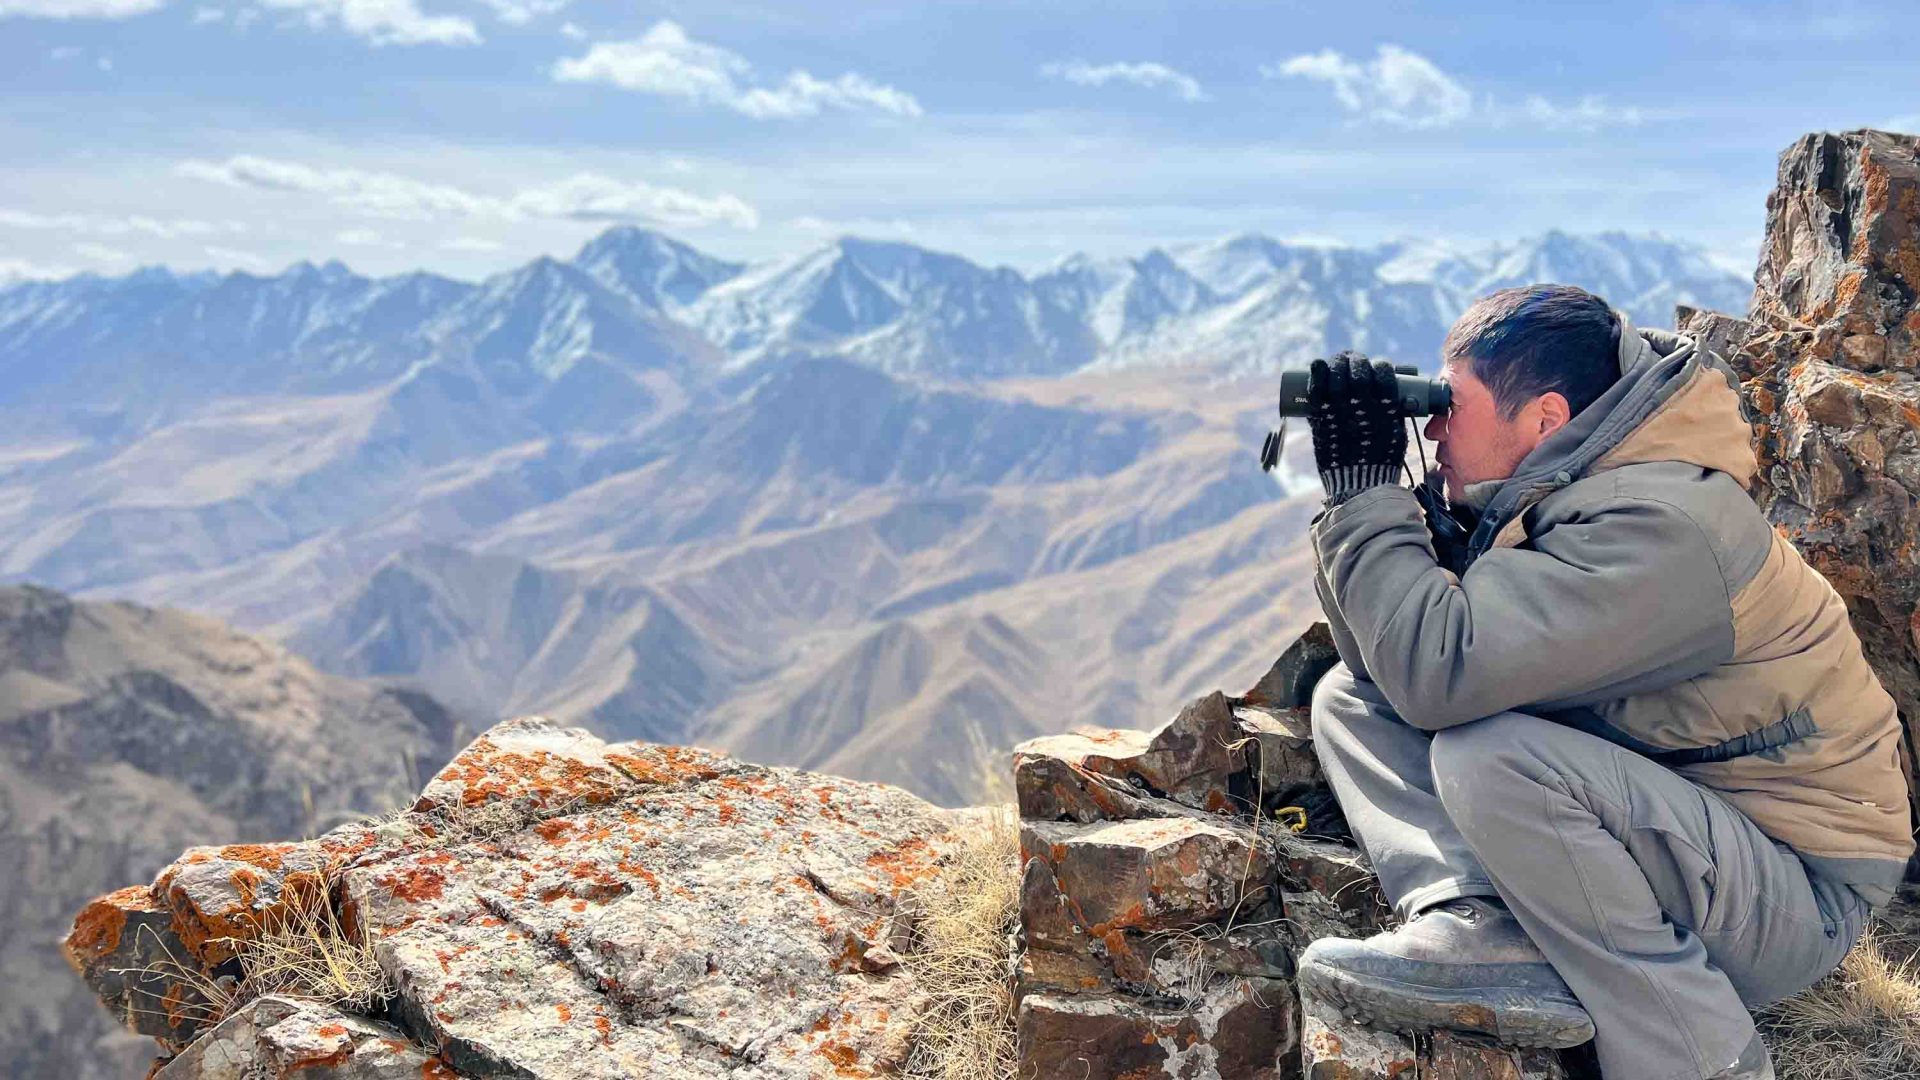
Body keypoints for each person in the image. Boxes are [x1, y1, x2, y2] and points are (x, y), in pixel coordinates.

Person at [1293, 284, 1914, 1080]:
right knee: (1353, 697)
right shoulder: (1567, 487)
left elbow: (1439, 678)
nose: (1434, 425)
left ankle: (1708, 1059)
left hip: (1800, 893)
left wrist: (1367, 494)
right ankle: (1480, 923)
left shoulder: (1661, 528)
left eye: (1452, 403)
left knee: (1491, 757)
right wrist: (1360, 498)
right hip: (1698, 820)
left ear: (1547, 418)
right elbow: (1389, 664)